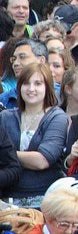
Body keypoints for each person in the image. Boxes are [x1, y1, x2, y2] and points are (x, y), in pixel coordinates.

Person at [0, 62, 68, 207]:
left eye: (38, 84)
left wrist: (7, 155)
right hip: (8, 198)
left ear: (47, 87)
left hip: (44, 198)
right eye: (26, 83)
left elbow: (42, 160)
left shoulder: (56, 117)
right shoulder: (5, 117)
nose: (31, 89)